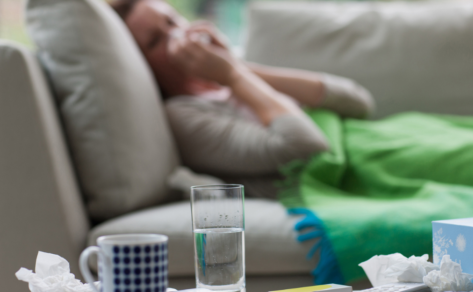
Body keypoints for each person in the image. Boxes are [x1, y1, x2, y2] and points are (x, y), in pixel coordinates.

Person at [109, 0, 375, 198]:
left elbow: (357, 101)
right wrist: (233, 75)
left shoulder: (232, 79)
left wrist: (235, 68)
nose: (177, 36)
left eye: (171, 21)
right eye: (156, 40)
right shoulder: (182, 115)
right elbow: (307, 149)